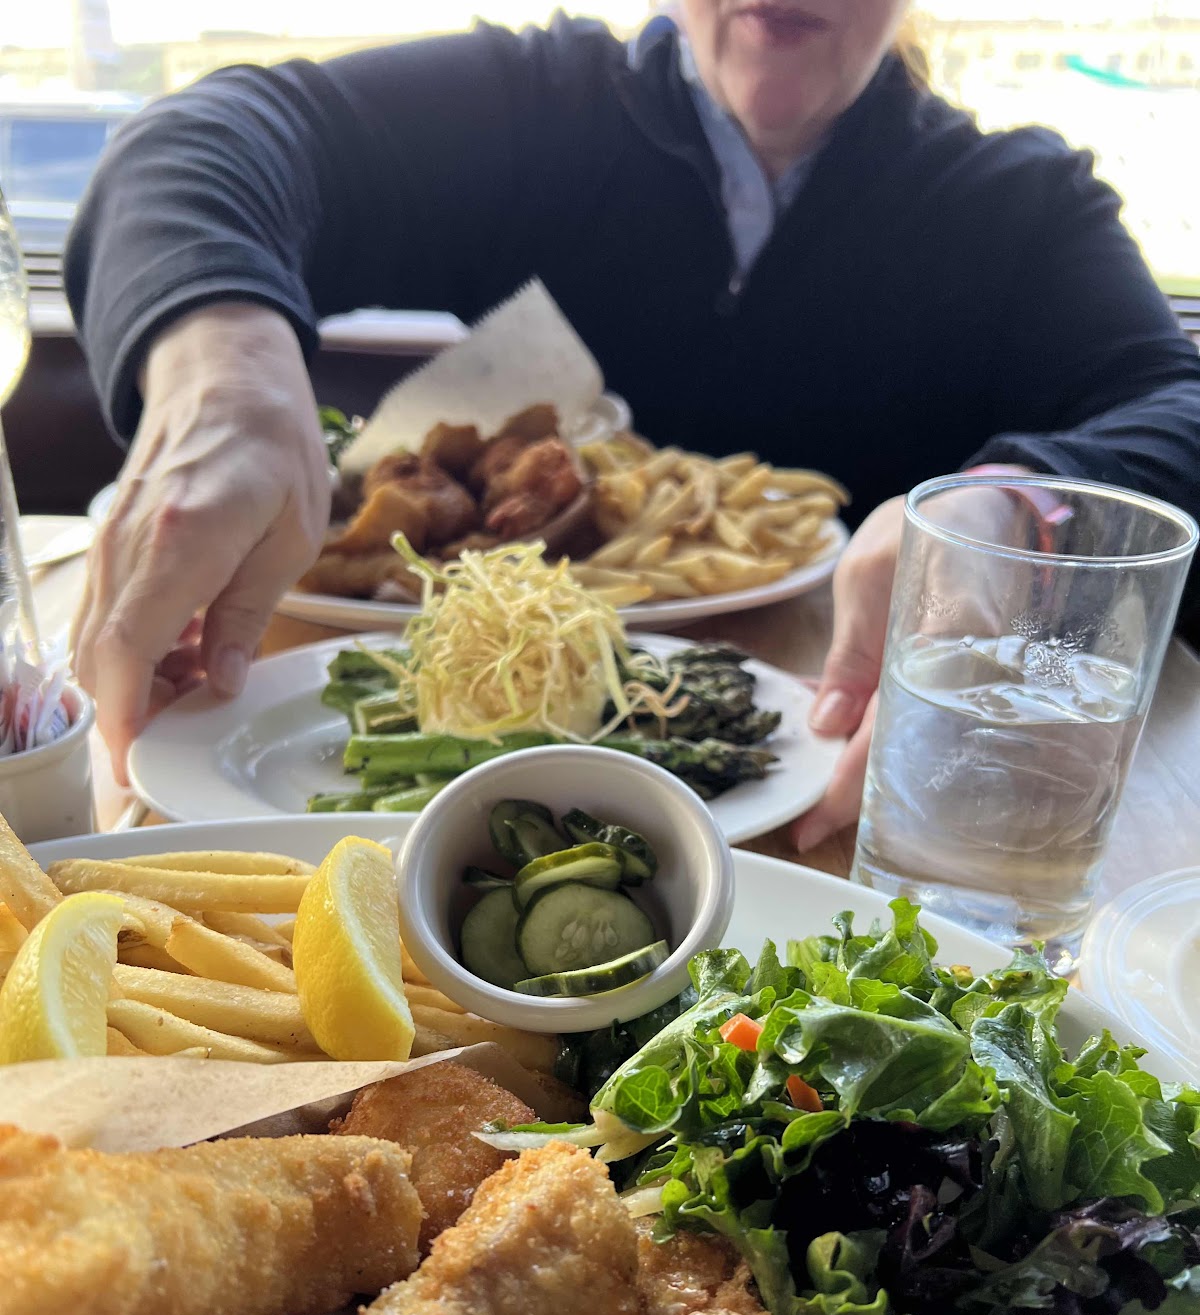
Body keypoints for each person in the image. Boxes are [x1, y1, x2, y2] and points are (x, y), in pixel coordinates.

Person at [64, 1, 1200, 847]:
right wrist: (224, 364)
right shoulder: (536, 106)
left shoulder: (1021, 204)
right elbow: (201, 139)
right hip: (440, 794)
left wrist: (1006, 510)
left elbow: (1176, 402)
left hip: (837, 815)